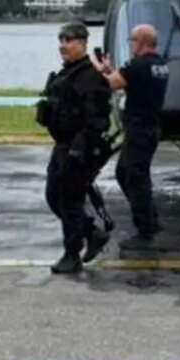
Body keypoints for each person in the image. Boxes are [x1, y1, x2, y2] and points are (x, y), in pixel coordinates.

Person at [36, 21, 113, 274]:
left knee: (70, 201)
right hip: (62, 145)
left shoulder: (90, 78)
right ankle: (91, 234)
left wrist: (78, 151)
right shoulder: (67, 74)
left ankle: (72, 253)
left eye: (69, 41)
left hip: (78, 149)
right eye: (61, 40)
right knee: (54, 196)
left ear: (82, 44)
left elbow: (97, 119)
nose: (63, 46)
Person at [93, 23, 169, 247]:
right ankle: (150, 219)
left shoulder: (138, 65)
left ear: (143, 42)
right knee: (125, 173)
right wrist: (110, 70)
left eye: (132, 41)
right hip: (150, 128)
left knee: (135, 178)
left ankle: (145, 230)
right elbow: (132, 82)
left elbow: (111, 85)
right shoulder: (159, 65)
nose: (131, 46)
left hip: (139, 129)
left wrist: (98, 73)